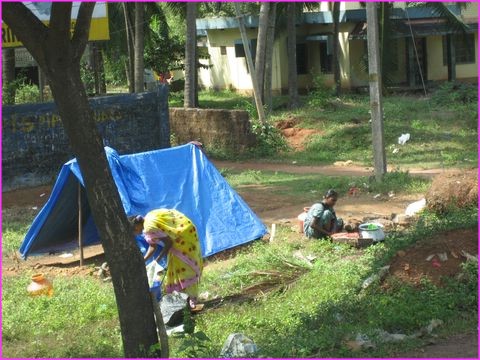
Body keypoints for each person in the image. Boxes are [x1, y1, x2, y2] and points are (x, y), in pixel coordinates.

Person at [131, 209, 203, 309]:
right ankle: (185, 300)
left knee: (185, 270)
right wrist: (143, 261)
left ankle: (192, 300)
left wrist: (157, 260)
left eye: (135, 231)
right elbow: (153, 246)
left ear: (136, 226)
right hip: (187, 232)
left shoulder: (149, 228)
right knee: (177, 269)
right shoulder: (148, 218)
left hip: (182, 240)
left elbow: (169, 243)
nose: (137, 234)